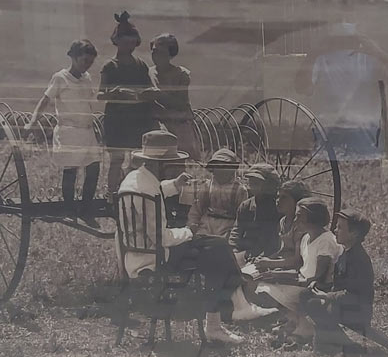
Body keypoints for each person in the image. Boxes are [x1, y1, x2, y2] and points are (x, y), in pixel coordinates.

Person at [115, 131, 272, 344]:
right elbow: (161, 238)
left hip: (135, 252)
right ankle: (227, 315)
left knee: (215, 249)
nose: (175, 167)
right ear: (159, 164)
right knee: (216, 249)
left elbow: (156, 189)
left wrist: (175, 185)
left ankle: (232, 311)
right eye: (171, 163)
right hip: (155, 257)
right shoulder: (149, 195)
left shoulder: (134, 180)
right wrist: (188, 231)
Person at [295, 22, 388, 159]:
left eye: (349, 40)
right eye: (341, 40)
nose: (344, 45)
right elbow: (302, 88)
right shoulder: (320, 59)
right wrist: (314, 53)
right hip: (328, 145)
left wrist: (379, 53)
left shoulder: (371, 59)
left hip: (367, 147)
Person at [24, 39, 101, 225]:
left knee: (94, 168)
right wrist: (34, 121)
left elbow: (90, 100)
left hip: (87, 131)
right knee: (71, 170)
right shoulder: (60, 78)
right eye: (84, 61)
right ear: (73, 58)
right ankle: (69, 209)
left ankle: (86, 208)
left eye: (90, 62)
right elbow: (45, 100)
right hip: (69, 131)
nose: (87, 65)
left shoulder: (87, 78)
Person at [302, 208, 388, 354]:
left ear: (353, 234)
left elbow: (354, 295)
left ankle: (347, 346)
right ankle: (330, 342)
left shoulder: (358, 259)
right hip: (345, 306)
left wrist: (326, 296)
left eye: (340, 227)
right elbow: (339, 285)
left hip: (357, 311)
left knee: (314, 305)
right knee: (308, 298)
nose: (335, 230)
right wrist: (318, 286)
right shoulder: (345, 252)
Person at [253, 197, 341, 343]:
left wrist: (281, 277)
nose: (295, 220)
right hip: (303, 284)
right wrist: (273, 274)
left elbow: (317, 279)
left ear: (313, 217)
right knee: (262, 287)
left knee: (270, 289)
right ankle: (294, 320)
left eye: (300, 216)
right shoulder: (306, 238)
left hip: (315, 290)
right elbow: (302, 270)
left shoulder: (326, 241)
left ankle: (305, 326)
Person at [99, 11, 160, 197]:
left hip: (137, 119)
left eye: (133, 43)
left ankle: (131, 192)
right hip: (117, 120)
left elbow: (151, 89)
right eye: (125, 43)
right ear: (116, 41)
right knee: (116, 159)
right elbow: (100, 95)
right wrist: (114, 93)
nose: (129, 47)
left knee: (136, 159)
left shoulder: (141, 65)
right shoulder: (110, 66)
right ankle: (111, 195)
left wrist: (148, 93)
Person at [149, 33, 200, 161]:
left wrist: (159, 95)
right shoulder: (149, 73)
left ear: (170, 53)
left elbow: (182, 104)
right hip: (158, 126)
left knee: (182, 161)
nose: (156, 55)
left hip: (179, 125)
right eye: (154, 51)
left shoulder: (181, 74)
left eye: (161, 52)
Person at [187, 148, 245, 238]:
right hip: (206, 226)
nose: (220, 170)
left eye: (225, 167)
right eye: (217, 166)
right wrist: (193, 225)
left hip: (228, 228)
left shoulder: (239, 190)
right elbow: (196, 210)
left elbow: (242, 217)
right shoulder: (206, 186)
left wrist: (234, 234)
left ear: (232, 169)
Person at [228, 164, 282, 262]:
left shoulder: (278, 208)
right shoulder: (246, 206)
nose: (252, 186)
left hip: (269, 255)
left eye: (257, 183)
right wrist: (233, 249)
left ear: (269, 185)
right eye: (251, 182)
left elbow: (277, 238)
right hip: (246, 252)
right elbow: (237, 230)